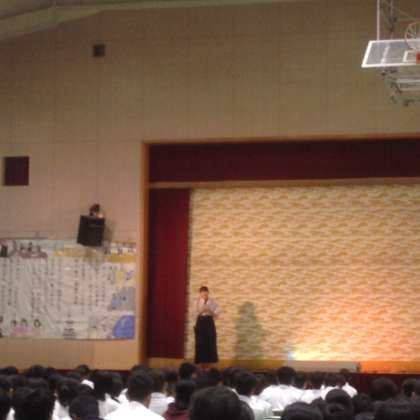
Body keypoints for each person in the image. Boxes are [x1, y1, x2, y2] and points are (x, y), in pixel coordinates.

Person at [194, 286, 219, 367]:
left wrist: (209, 310)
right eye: (202, 294)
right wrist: (202, 311)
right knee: (200, 342)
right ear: (200, 294)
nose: (204, 295)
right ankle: (201, 365)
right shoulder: (196, 302)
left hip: (209, 322)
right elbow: (194, 315)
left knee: (210, 342)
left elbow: (216, 315)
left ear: (208, 293)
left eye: (205, 293)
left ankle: (210, 366)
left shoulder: (213, 302)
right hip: (200, 322)